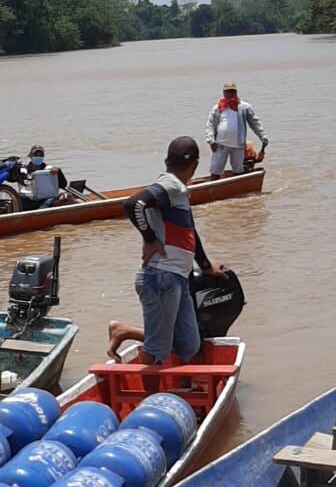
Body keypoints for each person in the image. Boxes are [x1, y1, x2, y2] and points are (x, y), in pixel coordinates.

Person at [107, 136, 223, 366]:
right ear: (194, 166)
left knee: (188, 344)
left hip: (178, 277)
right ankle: (150, 389)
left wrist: (206, 265)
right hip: (162, 277)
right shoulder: (171, 185)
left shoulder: (178, 191)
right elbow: (133, 204)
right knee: (157, 349)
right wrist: (150, 239)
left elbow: (190, 232)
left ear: (166, 161)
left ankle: (124, 331)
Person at [205, 82, 268, 179]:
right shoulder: (217, 108)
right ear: (223, 93)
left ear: (236, 92)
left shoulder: (244, 107)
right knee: (215, 170)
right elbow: (210, 125)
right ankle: (213, 186)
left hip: (238, 145)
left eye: (232, 91)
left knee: (238, 171)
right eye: (228, 92)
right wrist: (211, 141)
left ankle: (238, 187)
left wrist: (263, 137)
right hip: (220, 144)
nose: (230, 94)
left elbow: (255, 123)